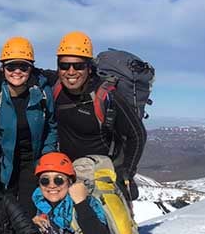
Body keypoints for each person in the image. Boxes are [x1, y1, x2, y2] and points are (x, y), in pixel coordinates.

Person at [53, 31, 146, 199]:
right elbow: (27, 73)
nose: (71, 71)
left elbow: (137, 134)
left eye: (78, 66)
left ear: (89, 68)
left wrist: (126, 173)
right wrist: (0, 73)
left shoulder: (106, 95)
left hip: (102, 175)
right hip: (70, 174)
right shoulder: (57, 88)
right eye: (64, 65)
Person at [0, 37, 57, 216]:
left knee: (27, 215)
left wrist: (46, 160)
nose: (17, 72)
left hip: (33, 163)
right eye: (11, 67)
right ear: (3, 68)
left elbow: (52, 127)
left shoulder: (43, 94)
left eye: (23, 67)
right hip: (5, 165)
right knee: (5, 213)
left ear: (31, 68)